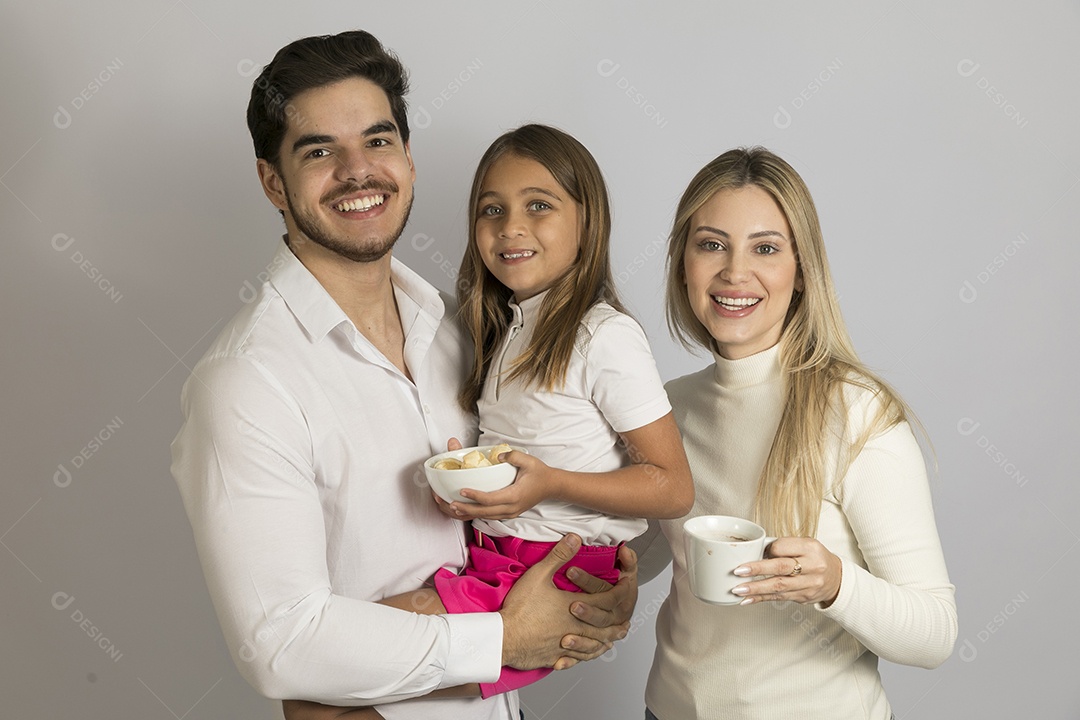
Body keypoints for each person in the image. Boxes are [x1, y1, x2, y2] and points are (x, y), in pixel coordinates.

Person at [170, 31, 637, 720]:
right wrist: (502, 635)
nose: (359, 170)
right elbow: (281, 643)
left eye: (379, 140)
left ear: (410, 162)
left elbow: (567, 489)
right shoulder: (244, 383)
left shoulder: (467, 333)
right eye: (320, 150)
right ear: (273, 182)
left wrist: (602, 590)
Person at [643, 147, 957, 719]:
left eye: (766, 248)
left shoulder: (857, 413)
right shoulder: (670, 407)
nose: (735, 272)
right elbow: (635, 557)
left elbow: (935, 633)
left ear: (803, 271)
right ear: (682, 263)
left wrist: (835, 584)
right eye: (711, 244)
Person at [424, 124, 694, 698]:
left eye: (538, 206)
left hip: (549, 567)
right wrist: (471, 484)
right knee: (369, 670)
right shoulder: (505, 330)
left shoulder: (604, 337)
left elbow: (672, 489)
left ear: (586, 222)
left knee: (365, 667)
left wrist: (547, 486)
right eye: (490, 209)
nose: (510, 227)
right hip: (499, 556)